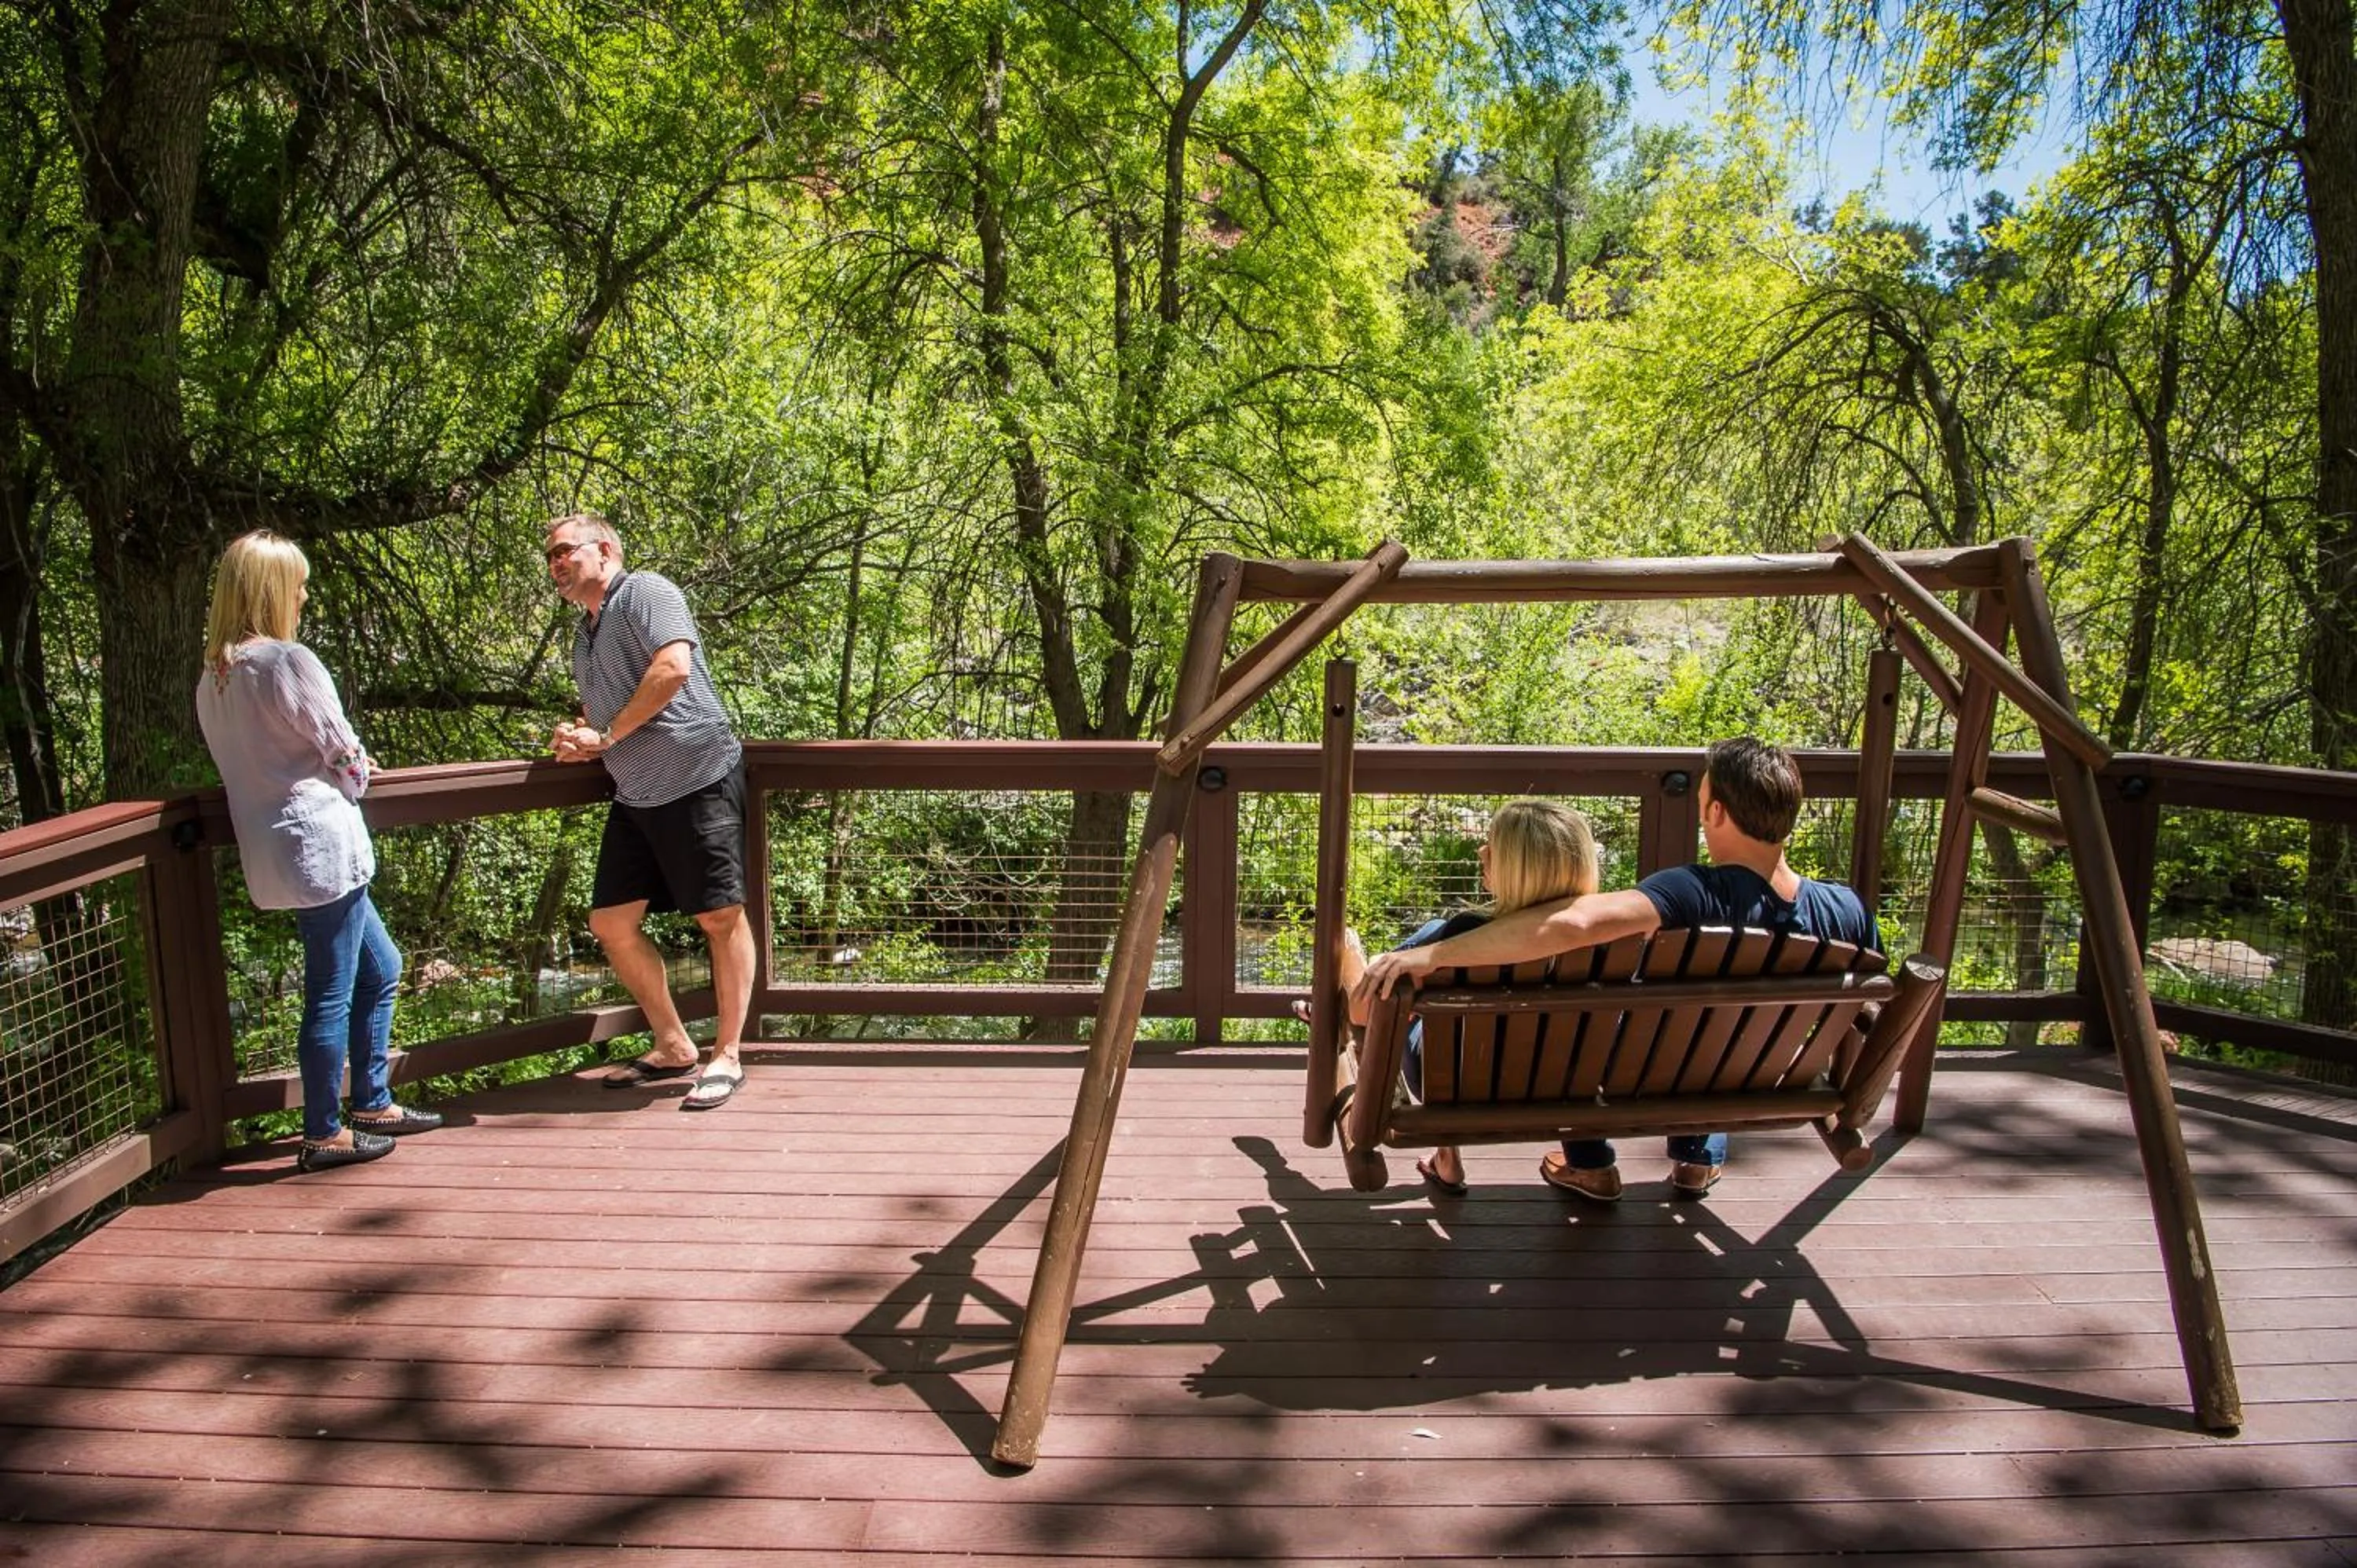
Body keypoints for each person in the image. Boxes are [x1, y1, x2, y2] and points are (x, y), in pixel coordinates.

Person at [1354, 737, 1879, 1203]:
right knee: (1702, 1039)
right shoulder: (1846, 909)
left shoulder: (1693, 892)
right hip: (1766, 1077)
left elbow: (1574, 922)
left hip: (1661, 1076)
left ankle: (1595, 1161)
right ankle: (1698, 1155)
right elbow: (1873, 1001)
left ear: (1717, 812)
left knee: (1617, 1033)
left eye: (1700, 803)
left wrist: (1438, 952)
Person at [196, 531, 442, 1172]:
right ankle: (323, 1131)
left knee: (381, 967)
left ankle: (372, 1101)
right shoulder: (286, 662)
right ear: (272, 590)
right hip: (320, 847)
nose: (304, 595)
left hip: (273, 849)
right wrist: (359, 772)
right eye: (297, 584)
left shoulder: (216, 676)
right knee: (330, 994)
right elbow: (343, 754)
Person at [544, 512, 754, 1111]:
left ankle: (728, 1054)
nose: (556, 565)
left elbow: (672, 669)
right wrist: (578, 735)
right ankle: (672, 1044)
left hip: (697, 779)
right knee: (611, 924)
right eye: (551, 558)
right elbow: (610, 712)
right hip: (637, 793)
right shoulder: (584, 632)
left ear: (604, 548)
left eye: (564, 551)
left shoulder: (647, 592)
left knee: (719, 918)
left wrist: (604, 735)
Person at [1312, 798, 1599, 1195]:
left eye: (1493, 845)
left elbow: (1364, 1016)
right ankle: (1594, 1165)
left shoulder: (1465, 934)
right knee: (1564, 1037)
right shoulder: (1609, 937)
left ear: (1518, 868)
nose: (1482, 852)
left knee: (1417, 1004)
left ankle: (1357, 968)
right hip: (1573, 1083)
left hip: (1461, 1084)